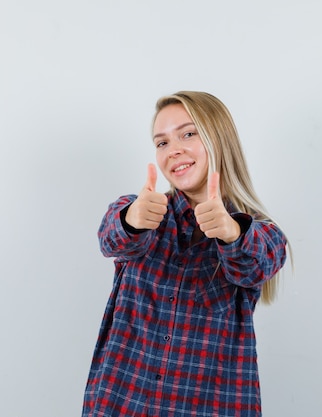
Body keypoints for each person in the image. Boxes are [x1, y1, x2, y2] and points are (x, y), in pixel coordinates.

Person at [82, 91, 288, 416]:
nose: (173, 149)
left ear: (217, 140)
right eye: (161, 142)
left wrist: (230, 230)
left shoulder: (258, 232)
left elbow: (256, 261)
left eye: (188, 134)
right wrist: (133, 220)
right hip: (120, 403)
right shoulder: (141, 212)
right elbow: (111, 238)